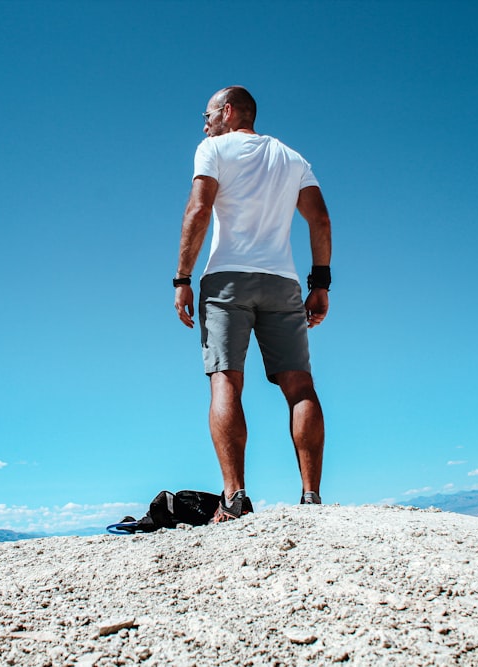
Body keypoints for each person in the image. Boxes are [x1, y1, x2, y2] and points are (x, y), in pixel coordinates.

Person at [173, 86, 333, 522]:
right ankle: (311, 496)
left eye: (206, 114)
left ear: (227, 112)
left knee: (226, 381)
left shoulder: (213, 149)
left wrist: (182, 278)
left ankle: (235, 497)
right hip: (282, 280)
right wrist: (321, 284)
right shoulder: (291, 157)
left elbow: (198, 209)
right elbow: (319, 218)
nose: (203, 124)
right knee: (300, 385)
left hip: (226, 279)